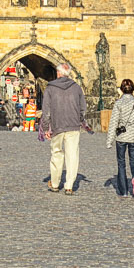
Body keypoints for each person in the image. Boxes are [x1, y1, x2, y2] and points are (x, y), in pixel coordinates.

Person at [40, 61, 88, 194]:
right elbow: (83, 109)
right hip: (73, 126)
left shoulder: (50, 88)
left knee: (56, 154)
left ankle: (55, 183)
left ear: (59, 73)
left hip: (57, 126)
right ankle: (69, 186)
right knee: (72, 156)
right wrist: (80, 121)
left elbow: (46, 111)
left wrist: (45, 128)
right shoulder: (77, 87)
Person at [106, 79, 134, 198]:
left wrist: (109, 141)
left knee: (121, 163)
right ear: (133, 89)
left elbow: (114, 122)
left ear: (121, 90)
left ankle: (123, 191)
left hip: (121, 137)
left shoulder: (119, 103)